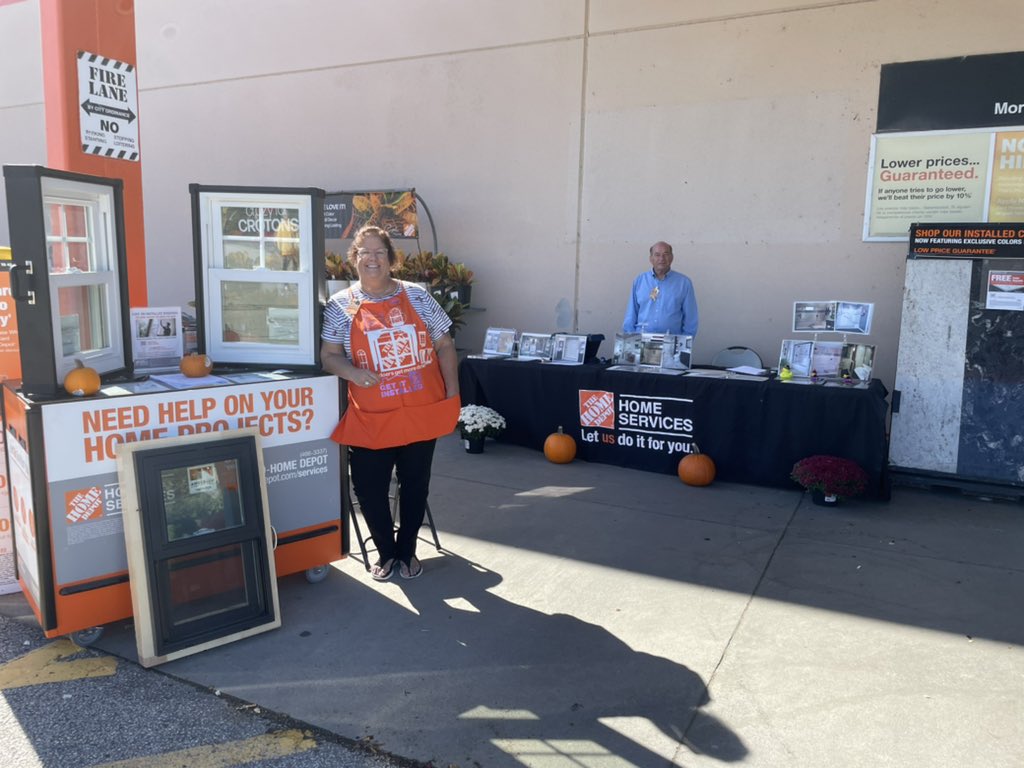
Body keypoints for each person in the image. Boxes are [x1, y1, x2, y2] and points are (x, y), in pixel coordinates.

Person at [321, 226, 460, 581]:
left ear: (390, 259)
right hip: (372, 417)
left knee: (416, 484)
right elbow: (329, 356)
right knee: (369, 488)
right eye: (365, 252)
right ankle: (385, 551)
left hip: (420, 413)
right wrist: (352, 372)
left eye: (380, 252)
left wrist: (452, 393)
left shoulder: (416, 297)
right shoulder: (341, 305)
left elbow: (444, 344)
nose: (372, 258)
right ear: (354, 259)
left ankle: (408, 551)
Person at [622, 241, 698, 336]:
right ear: (651, 258)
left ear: (672, 257)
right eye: (657, 255)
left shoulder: (684, 283)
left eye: (666, 254)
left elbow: (691, 320)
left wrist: (683, 345)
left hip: (671, 343)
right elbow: (631, 315)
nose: (661, 258)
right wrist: (630, 341)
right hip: (642, 342)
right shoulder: (639, 281)